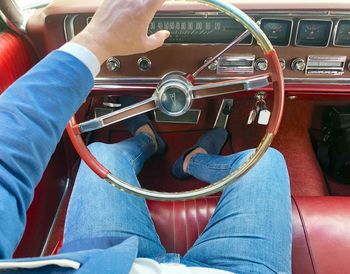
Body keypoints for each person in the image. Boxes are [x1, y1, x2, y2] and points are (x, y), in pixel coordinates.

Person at [0, 0, 291, 273]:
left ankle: (148, 142)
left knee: (101, 153)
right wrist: (97, 39)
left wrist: (98, 41)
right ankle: (192, 161)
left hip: (109, 262)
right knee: (266, 161)